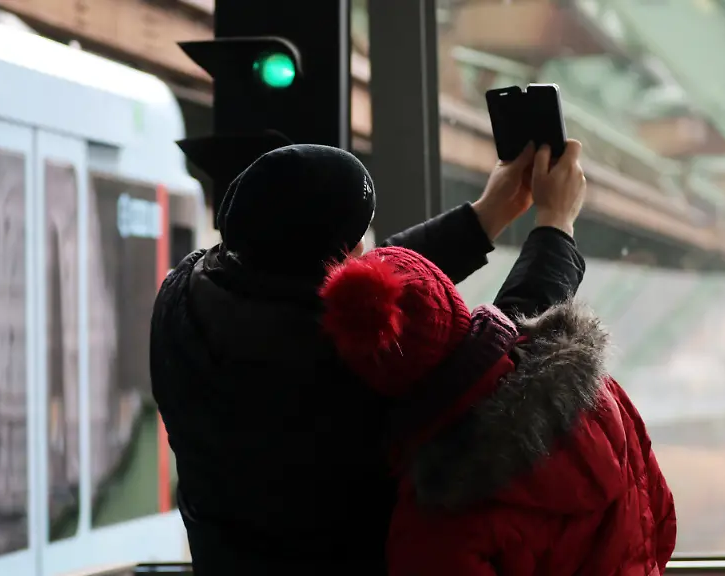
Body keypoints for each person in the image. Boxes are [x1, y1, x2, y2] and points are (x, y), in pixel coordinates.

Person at [150, 141, 586, 575]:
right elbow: (501, 364)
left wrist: (485, 216)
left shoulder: (181, 302)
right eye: (362, 236)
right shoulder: (346, 368)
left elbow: (361, 284)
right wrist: (555, 225)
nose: (371, 251)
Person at [318, 150, 677, 575]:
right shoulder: (598, 397)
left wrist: (488, 216)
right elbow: (660, 518)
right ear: (452, 298)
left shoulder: (431, 521)